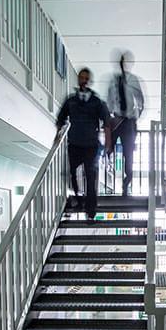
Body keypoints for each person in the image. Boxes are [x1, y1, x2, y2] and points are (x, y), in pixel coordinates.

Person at [56, 68, 112, 219]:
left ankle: (91, 210)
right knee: (72, 174)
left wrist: (107, 142)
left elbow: (106, 121)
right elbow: (61, 118)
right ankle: (79, 200)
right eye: (81, 77)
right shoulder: (71, 100)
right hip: (74, 143)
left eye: (86, 78)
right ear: (79, 79)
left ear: (89, 80)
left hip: (91, 145)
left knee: (91, 176)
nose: (84, 80)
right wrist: (58, 134)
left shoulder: (96, 101)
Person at [106, 51, 145, 196]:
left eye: (125, 62)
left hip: (128, 121)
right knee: (109, 148)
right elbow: (109, 100)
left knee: (128, 155)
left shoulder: (133, 80)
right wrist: (110, 117)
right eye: (121, 62)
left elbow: (140, 100)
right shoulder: (113, 81)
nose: (123, 64)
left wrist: (136, 116)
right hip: (117, 120)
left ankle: (126, 183)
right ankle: (109, 169)